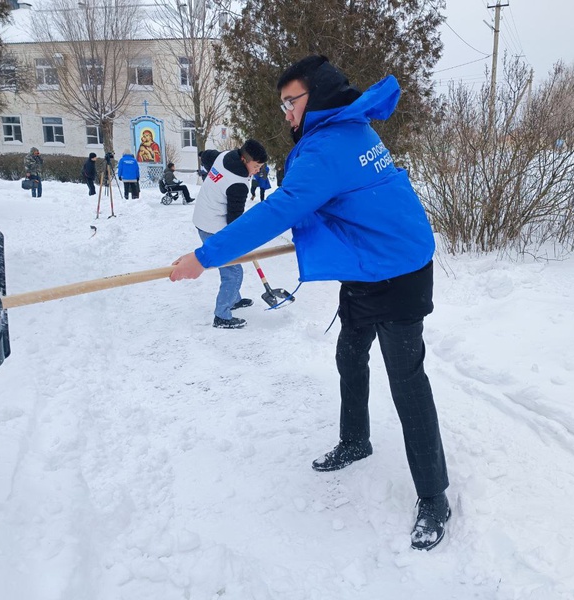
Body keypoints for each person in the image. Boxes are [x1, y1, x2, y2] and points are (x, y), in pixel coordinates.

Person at [169, 55, 450, 550]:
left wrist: (205, 256)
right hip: (367, 265)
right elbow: (345, 200)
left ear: (315, 97)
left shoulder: (331, 145)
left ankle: (434, 496)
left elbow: (282, 207)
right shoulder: (346, 130)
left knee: (406, 380)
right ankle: (356, 440)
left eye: (290, 101)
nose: (286, 112)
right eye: (283, 104)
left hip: (400, 269)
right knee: (349, 354)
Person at [192, 140, 268, 329]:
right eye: (256, 166)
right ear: (244, 159)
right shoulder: (238, 184)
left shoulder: (223, 156)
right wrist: (244, 240)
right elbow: (234, 222)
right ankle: (222, 315)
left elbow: (206, 155)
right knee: (233, 272)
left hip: (202, 217)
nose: (258, 170)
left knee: (232, 263)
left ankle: (233, 299)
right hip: (212, 227)